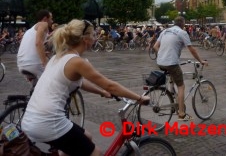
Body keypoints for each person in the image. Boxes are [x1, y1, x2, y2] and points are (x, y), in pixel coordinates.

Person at [21, 19, 150, 156]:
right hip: (48, 122)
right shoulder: (77, 62)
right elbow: (110, 85)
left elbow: (80, 82)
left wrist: (101, 92)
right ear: (85, 39)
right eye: (94, 35)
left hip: (31, 119)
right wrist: (139, 98)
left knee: (86, 137)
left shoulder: (58, 57)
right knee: (96, 153)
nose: (95, 38)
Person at [154, 16, 208, 121]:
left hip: (160, 62)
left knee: (173, 78)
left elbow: (155, 47)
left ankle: (173, 98)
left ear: (174, 23)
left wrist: (162, 55)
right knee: (181, 86)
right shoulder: (182, 33)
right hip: (171, 63)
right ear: (183, 24)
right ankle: (182, 113)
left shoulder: (165, 31)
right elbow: (191, 49)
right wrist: (201, 61)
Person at [17, 9, 53, 78]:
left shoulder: (31, 30)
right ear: (45, 19)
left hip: (21, 64)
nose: (52, 21)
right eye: (51, 18)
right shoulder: (43, 24)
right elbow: (38, 42)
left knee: (37, 87)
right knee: (54, 80)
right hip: (33, 63)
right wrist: (45, 63)